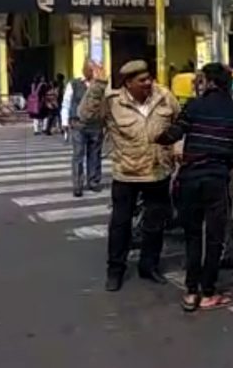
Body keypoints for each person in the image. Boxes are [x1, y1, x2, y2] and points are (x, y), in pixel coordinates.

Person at [157, 63, 233, 312]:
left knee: (193, 236)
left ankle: (190, 293)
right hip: (216, 180)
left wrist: (154, 136)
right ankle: (208, 292)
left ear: (208, 82)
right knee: (214, 238)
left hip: (189, 178)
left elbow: (173, 134)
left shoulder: (194, 106)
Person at [78, 59, 181, 292]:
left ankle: (149, 266)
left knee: (155, 224)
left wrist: (177, 147)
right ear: (128, 83)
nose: (148, 83)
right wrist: (98, 84)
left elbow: (179, 124)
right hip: (127, 174)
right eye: (141, 80)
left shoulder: (164, 96)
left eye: (149, 78)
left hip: (158, 172)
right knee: (120, 225)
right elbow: (85, 115)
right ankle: (115, 271)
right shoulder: (113, 102)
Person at [63, 62, 104, 197]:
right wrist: (64, 122)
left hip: (96, 125)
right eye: (89, 69)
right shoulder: (74, 84)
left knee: (95, 154)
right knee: (78, 155)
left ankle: (93, 181)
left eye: (93, 69)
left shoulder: (101, 85)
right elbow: (66, 103)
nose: (91, 71)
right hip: (78, 124)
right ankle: (78, 185)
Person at [55, 73, 69, 141]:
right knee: (61, 115)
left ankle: (60, 128)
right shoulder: (62, 85)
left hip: (59, 101)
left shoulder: (59, 85)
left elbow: (58, 94)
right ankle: (61, 128)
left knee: (59, 115)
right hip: (61, 101)